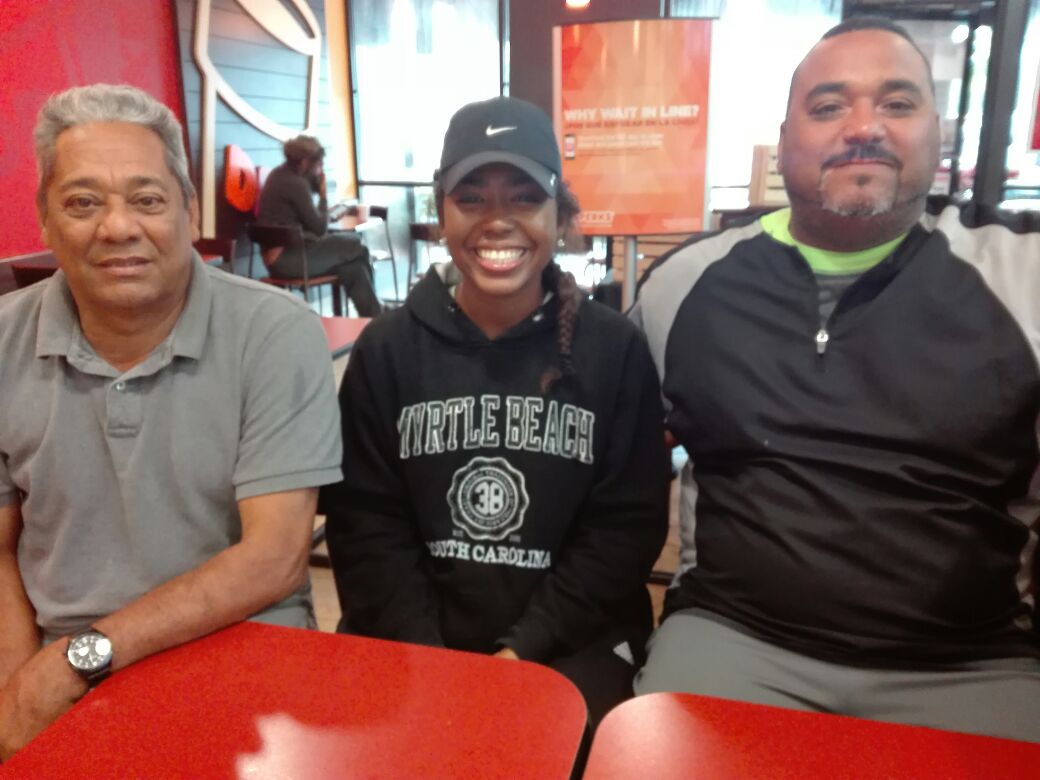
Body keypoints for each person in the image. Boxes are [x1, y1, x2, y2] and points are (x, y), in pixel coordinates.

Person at [631, 16, 1040, 742]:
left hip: (973, 662)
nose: (863, 128)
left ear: (936, 132)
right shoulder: (682, 287)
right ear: (785, 140)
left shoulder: (1024, 283)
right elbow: (611, 456)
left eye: (897, 103)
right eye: (828, 107)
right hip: (735, 640)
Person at [0, 84, 342, 759]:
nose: (118, 226)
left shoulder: (275, 334)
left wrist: (80, 659)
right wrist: (20, 688)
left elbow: (272, 561)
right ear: (44, 219)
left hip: (243, 648)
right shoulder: (5, 341)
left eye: (147, 200)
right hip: (52, 653)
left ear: (188, 211)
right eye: (83, 202)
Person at [322, 96, 670, 725]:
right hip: (410, 639)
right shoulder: (388, 349)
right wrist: (432, 662)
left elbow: (624, 532)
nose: (497, 220)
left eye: (523, 198)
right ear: (441, 210)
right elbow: (365, 525)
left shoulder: (614, 350)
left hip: (570, 642)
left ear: (559, 214)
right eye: (472, 197)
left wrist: (518, 653)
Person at [256, 134, 382, 317]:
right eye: (319, 165)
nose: (320, 171)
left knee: (354, 268)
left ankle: (373, 317)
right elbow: (320, 228)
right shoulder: (296, 184)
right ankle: (376, 318)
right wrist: (323, 195)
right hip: (289, 260)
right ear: (306, 162)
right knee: (356, 245)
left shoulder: (278, 175)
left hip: (281, 257)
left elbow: (309, 223)